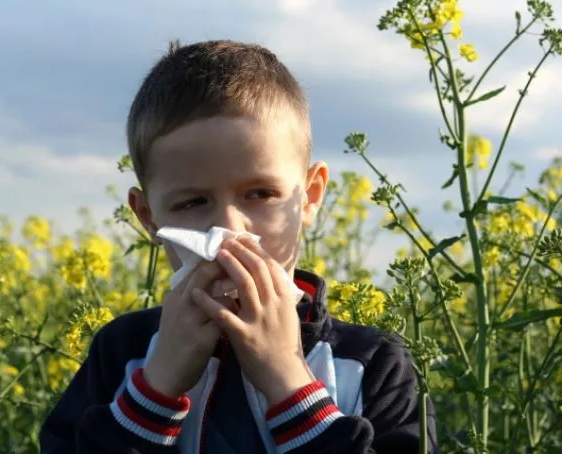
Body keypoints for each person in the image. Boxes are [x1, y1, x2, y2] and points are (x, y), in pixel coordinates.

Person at [40, 39, 437, 454]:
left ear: (311, 196)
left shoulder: (371, 363)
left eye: (260, 193)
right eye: (192, 202)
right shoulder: (123, 353)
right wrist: (154, 392)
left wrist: (288, 382)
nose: (228, 230)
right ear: (149, 217)